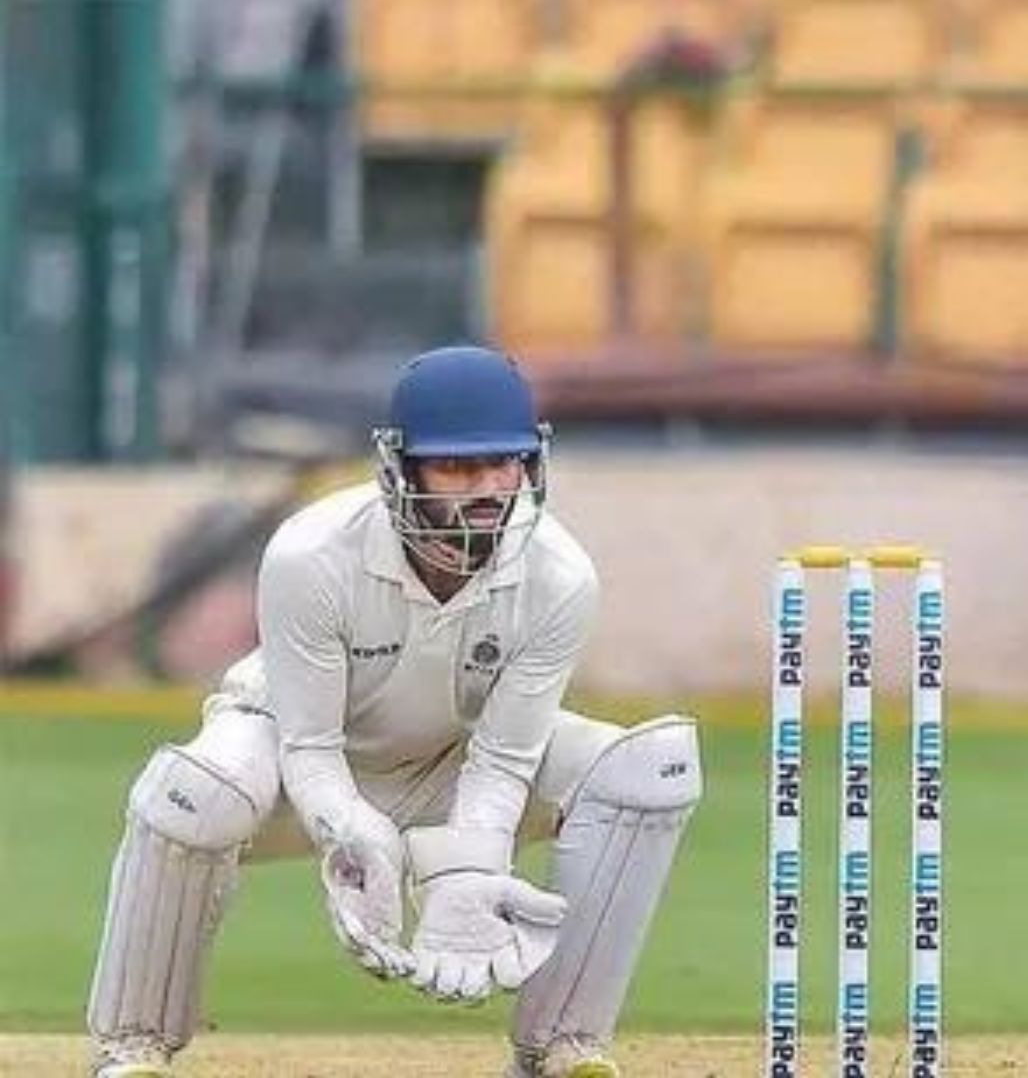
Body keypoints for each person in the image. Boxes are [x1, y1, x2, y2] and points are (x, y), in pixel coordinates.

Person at [86, 346, 702, 1078]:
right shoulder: (310, 554)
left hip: (452, 760)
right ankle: (134, 1045)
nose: (486, 488)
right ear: (401, 469)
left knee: (649, 771)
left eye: (502, 463)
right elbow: (311, 746)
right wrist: (353, 833)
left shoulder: (559, 577)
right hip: (287, 752)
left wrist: (469, 870)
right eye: (458, 468)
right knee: (192, 796)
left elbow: (505, 759)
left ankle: (562, 1049)